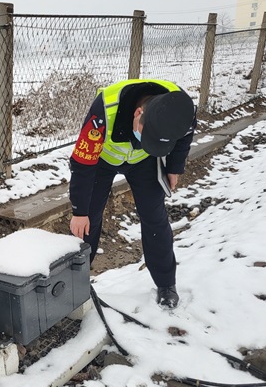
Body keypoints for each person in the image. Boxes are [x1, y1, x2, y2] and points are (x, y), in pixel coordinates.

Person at [69, 79, 196, 309]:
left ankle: (166, 284)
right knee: (89, 219)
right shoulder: (104, 110)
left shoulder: (180, 107)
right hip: (102, 159)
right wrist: (80, 210)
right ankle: (75, 284)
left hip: (143, 160)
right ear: (138, 113)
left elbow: (185, 135)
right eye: (147, 135)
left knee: (154, 217)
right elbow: (82, 161)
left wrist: (174, 167)